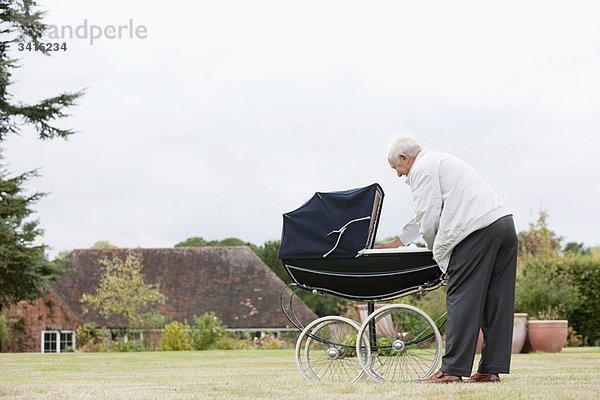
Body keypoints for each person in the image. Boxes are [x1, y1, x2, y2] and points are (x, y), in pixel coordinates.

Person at [378, 135, 518, 383]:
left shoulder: (422, 168)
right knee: (497, 300)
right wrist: (399, 240)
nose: (398, 174)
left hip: (476, 232)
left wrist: (435, 251)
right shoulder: (439, 161)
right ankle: (490, 369)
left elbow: (428, 216)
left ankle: (452, 371)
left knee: (461, 298)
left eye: (396, 168)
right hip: (503, 224)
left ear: (404, 158)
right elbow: (430, 210)